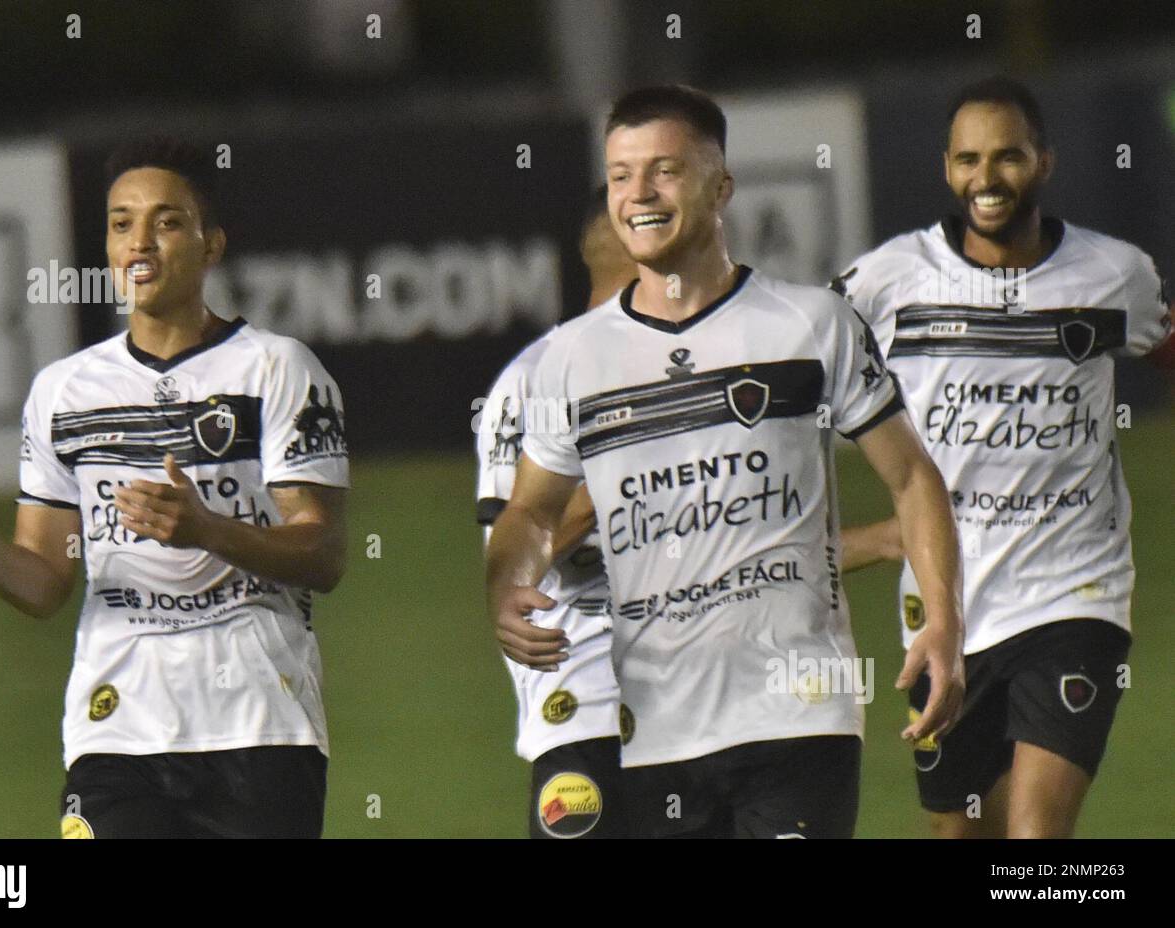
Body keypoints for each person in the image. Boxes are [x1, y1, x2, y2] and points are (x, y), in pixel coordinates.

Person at [487, 85, 965, 838]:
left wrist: (943, 620)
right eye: (620, 174)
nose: (638, 193)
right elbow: (529, 512)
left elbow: (911, 476)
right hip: (652, 726)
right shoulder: (567, 363)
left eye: (664, 171)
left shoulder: (812, 324)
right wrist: (506, 585)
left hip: (800, 709)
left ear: (722, 186)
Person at [0, 137, 350, 838]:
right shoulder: (63, 393)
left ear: (211, 247)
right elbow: (45, 580)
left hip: (259, 725)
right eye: (121, 223)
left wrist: (206, 529)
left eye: (167, 221)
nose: (139, 241)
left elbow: (324, 552)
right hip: (116, 730)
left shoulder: (277, 370)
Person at [835, 77, 1172, 837]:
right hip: (942, 611)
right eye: (968, 160)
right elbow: (800, 373)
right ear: (948, 168)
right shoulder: (889, 281)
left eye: (1008, 157)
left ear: (1045, 162)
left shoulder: (1115, 274)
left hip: (1073, 594)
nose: (986, 179)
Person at [476, 187, 637, 838]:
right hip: (587, 696)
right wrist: (621, 468)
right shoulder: (536, 378)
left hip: (712, 687)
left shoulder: (704, 362)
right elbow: (514, 564)